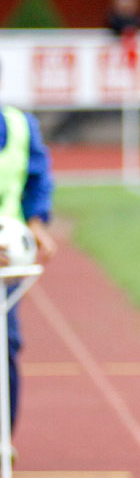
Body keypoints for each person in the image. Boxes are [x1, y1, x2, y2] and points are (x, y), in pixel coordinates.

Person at [0, 62, 56, 444]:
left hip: (5, 261)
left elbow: (36, 179)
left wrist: (36, 224)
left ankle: (4, 440)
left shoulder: (20, 126)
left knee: (6, 344)